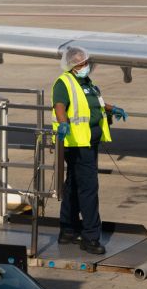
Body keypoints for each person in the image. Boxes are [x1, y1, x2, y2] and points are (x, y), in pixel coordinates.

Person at [52, 46, 128, 254]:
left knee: (74, 184)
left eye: (85, 62)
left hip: (89, 142)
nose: (84, 65)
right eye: (80, 62)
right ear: (71, 64)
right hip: (77, 143)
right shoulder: (64, 83)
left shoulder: (87, 83)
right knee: (89, 189)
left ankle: (67, 230)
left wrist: (113, 109)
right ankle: (90, 237)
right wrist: (63, 123)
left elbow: (96, 103)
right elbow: (59, 106)